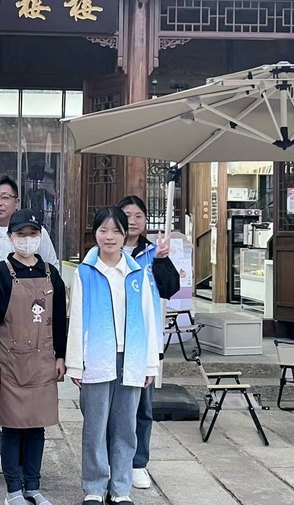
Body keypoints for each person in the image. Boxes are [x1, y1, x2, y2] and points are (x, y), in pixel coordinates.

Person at [0, 174, 58, 488]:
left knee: (27, 400)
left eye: (5, 197)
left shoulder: (37, 236)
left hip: (30, 336)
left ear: (16, 201)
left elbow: (52, 278)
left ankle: (20, 464)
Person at [66, 206, 162, 505]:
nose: (109, 237)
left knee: (126, 426)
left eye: (116, 231)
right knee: (95, 426)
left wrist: (151, 363)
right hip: (96, 356)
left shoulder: (137, 273)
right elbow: (76, 318)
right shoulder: (85, 272)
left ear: (124, 234)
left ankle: (121, 488)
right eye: (103, 230)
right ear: (95, 233)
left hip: (131, 357)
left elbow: (148, 318)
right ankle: (94, 487)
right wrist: (75, 363)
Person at [0, 209, 67, 505]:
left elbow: (60, 319)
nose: (27, 240)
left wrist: (61, 356)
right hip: (10, 363)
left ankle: (33, 487)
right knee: (12, 427)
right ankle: (13, 489)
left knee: (37, 426)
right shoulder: (0, 274)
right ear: (11, 237)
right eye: (21, 234)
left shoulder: (51, 273)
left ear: (40, 236)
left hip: (43, 362)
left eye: (33, 234)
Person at [118, 195, 180, 490]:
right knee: (112, 406)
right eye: (126, 215)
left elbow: (170, 288)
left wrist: (162, 260)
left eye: (138, 216)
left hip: (145, 342)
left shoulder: (155, 252)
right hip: (113, 339)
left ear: (146, 221)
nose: (132, 221)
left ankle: (138, 462)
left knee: (143, 406)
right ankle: (114, 459)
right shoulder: (107, 250)